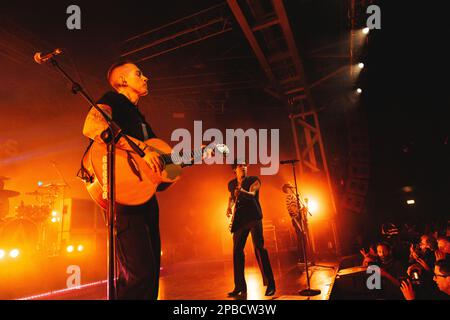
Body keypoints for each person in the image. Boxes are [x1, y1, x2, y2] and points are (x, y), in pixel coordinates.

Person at [82, 61, 163, 299]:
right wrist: (141, 149)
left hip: (146, 198)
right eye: (139, 73)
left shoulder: (142, 121)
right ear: (123, 80)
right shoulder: (112, 100)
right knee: (138, 273)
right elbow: (92, 126)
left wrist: (195, 154)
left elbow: (162, 162)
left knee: (150, 272)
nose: (146, 77)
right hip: (123, 197)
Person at [226, 160, 275, 297]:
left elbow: (253, 194)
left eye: (245, 165)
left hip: (254, 217)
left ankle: (270, 283)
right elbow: (231, 196)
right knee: (236, 252)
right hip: (240, 220)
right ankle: (240, 286)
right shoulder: (231, 184)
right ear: (234, 169)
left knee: (259, 248)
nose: (244, 168)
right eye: (241, 166)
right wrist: (228, 207)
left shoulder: (254, 180)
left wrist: (241, 191)